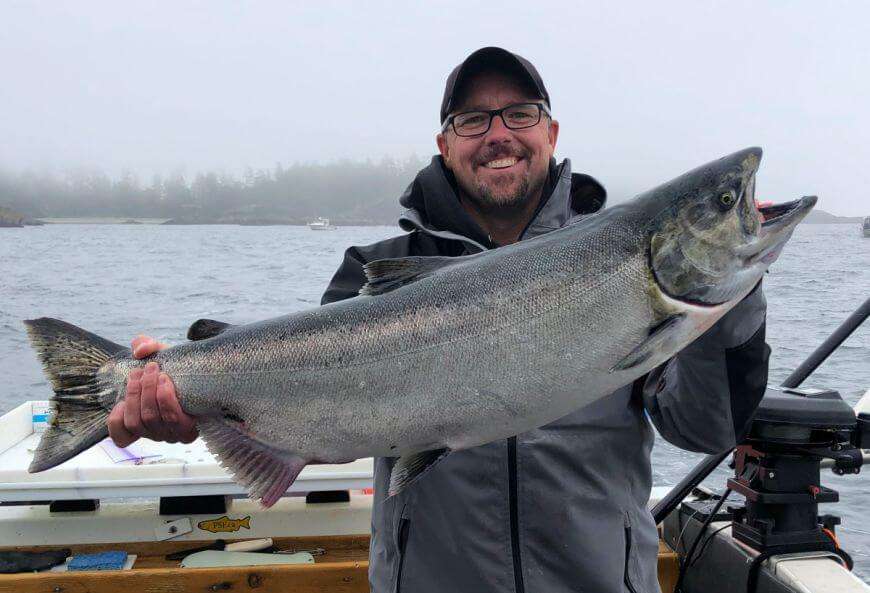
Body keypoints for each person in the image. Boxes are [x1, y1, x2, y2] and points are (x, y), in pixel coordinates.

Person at [108, 47, 770, 593]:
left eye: (519, 113)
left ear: (551, 132)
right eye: (473, 120)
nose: (498, 134)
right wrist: (181, 396)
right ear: (445, 143)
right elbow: (310, 412)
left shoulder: (619, 265)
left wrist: (735, 301)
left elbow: (703, 425)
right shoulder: (372, 272)